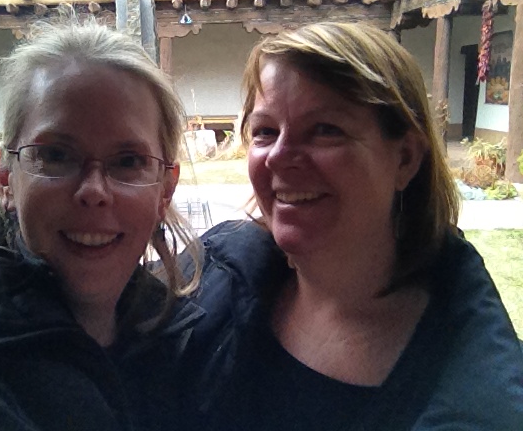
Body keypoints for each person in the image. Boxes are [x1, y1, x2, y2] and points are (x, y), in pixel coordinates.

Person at [178, 22, 523, 430]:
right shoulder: (214, 273)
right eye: (266, 131)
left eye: (325, 130)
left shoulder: (481, 394)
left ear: (405, 158)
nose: (278, 156)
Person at [0, 16, 202, 431]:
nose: (94, 190)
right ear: (5, 177)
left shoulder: (186, 345)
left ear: (165, 189)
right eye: (55, 155)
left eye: (128, 161)